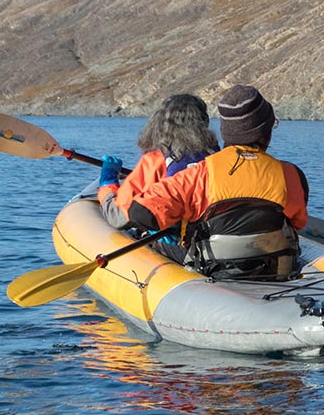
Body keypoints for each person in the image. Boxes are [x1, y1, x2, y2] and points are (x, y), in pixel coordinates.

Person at [128, 85, 310, 280]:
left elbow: (140, 212)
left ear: (225, 132)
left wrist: (168, 227)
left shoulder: (198, 174)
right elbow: (298, 221)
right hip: (274, 267)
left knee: (147, 237)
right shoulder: (292, 175)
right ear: (266, 134)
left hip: (212, 267)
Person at [94, 93, 220, 230]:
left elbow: (116, 216)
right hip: (209, 233)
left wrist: (108, 180)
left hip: (174, 240)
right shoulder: (218, 158)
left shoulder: (154, 161)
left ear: (161, 123)